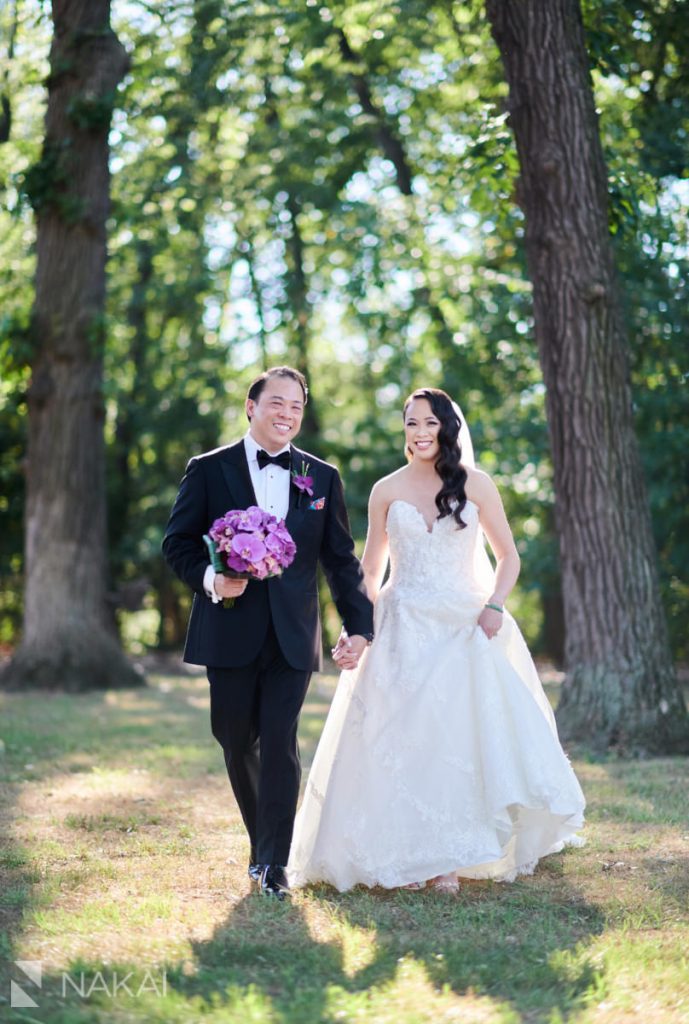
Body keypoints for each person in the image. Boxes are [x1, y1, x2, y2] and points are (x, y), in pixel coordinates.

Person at [288, 388, 585, 893]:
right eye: (411, 423)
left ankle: (448, 857)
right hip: (402, 625)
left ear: (448, 427)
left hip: (462, 626)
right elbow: (371, 569)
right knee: (400, 741)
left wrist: (494, 606)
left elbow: (509, 557)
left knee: (453, 740)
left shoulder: (477, 484)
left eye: (429, 422)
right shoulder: (385, 489)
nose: (420, 432)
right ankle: (401, 851)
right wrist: (356, 627)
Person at [163, 366, 373, 900]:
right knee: (236, 740)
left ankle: (273, 864)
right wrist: (214, 580)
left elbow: (340, 559)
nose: (287, 414)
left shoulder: (321, 477)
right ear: (251, 407)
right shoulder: (209, 470)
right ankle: (264, 844)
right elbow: (178, 543)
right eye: (277, 403)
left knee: (280, 741)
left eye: (297, 406)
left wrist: (359, 626)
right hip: (228, 628)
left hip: (293, 634)